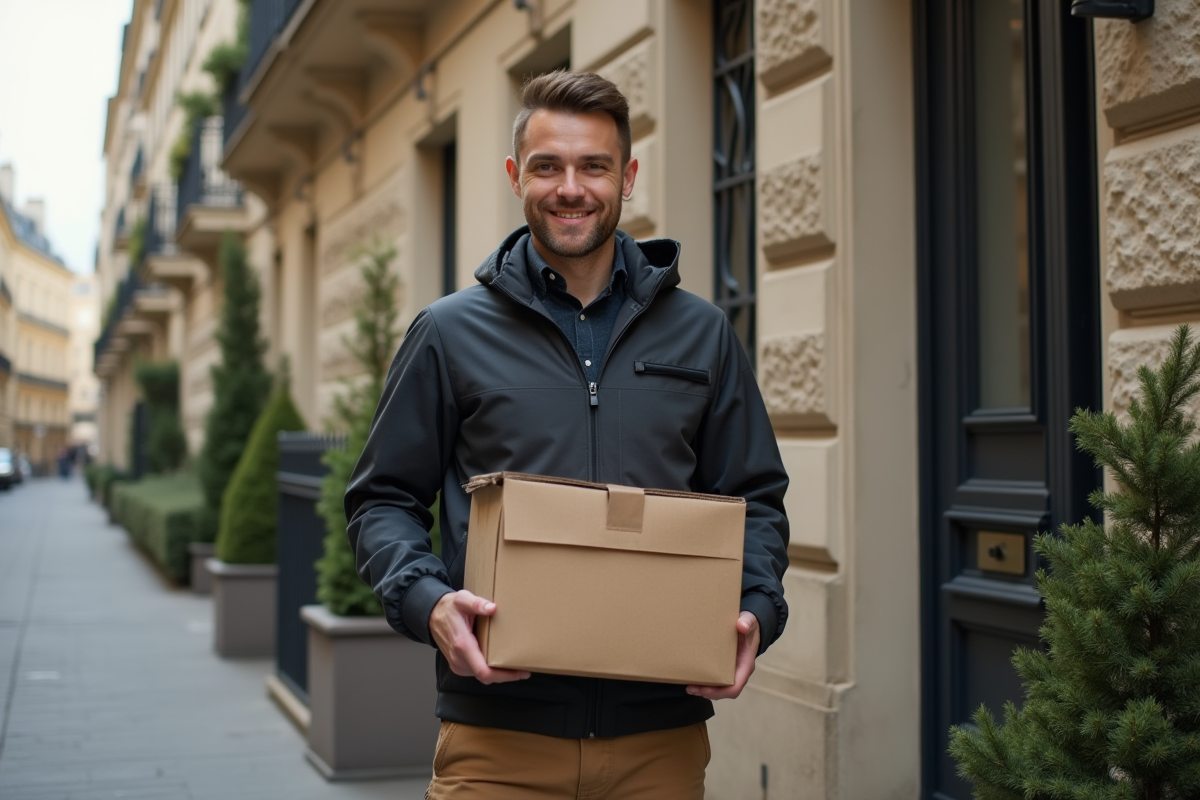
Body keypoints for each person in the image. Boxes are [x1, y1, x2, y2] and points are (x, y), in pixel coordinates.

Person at [346, 70, 789, 799]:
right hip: (497, 740)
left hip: (661, 741)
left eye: (594, 166)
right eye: (548, 166)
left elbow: (756, 497)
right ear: (517, 175)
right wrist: (428, 602)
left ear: (629, 176)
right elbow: (382, 499)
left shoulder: (702, 333)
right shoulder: (449, 333)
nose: (571, 188)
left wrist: (755, 607)